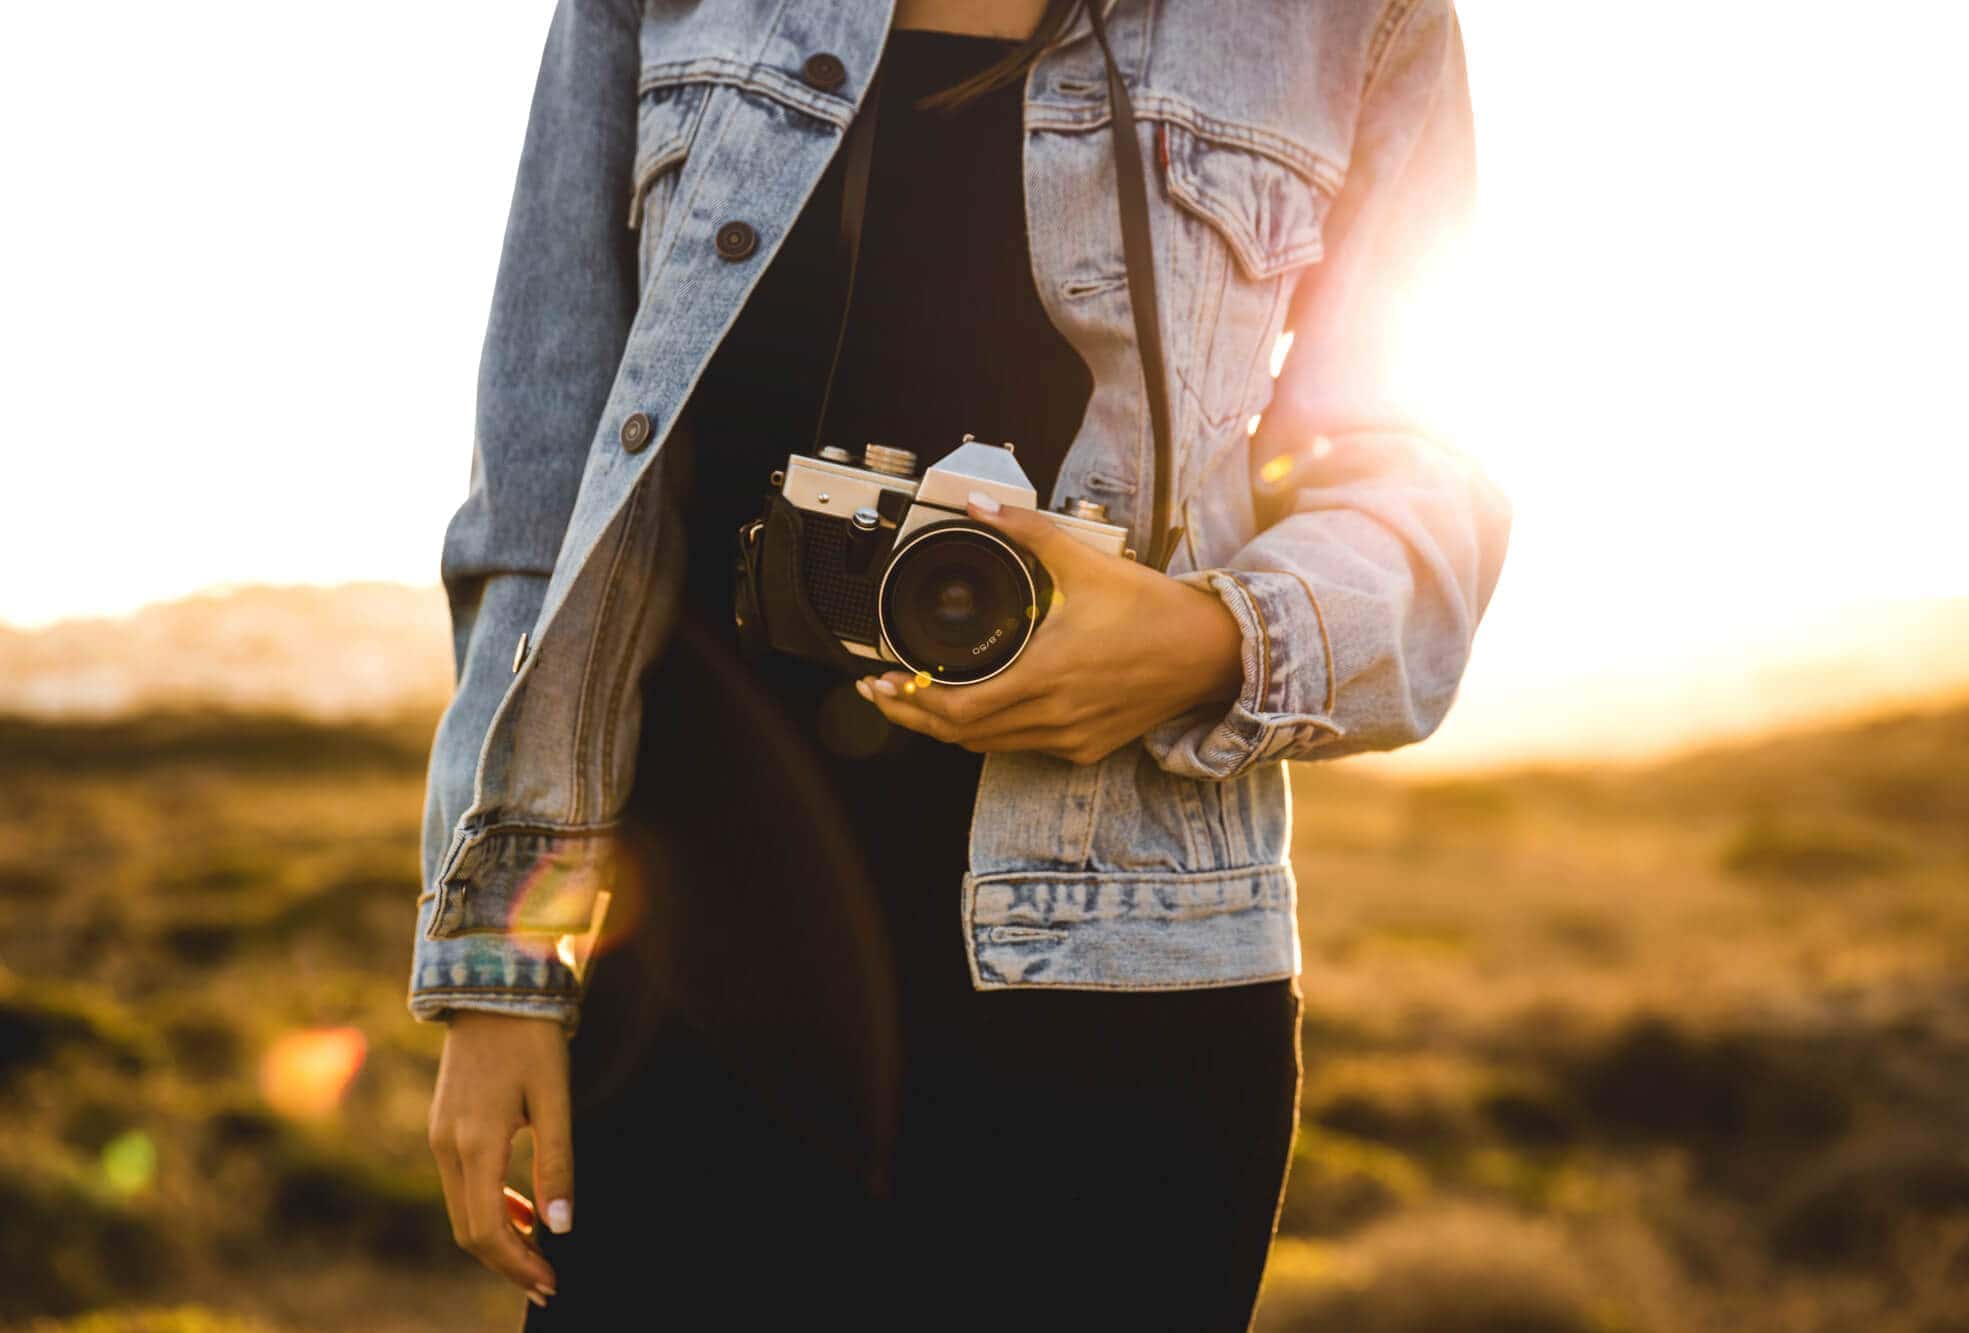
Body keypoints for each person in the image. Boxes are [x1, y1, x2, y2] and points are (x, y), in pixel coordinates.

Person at [409, 0, 1509, 1328]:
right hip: (688, 974)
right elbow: (543, 495)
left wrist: (1205, 640)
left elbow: (1422, 497)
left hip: (1125, 1016)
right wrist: (498, 966)